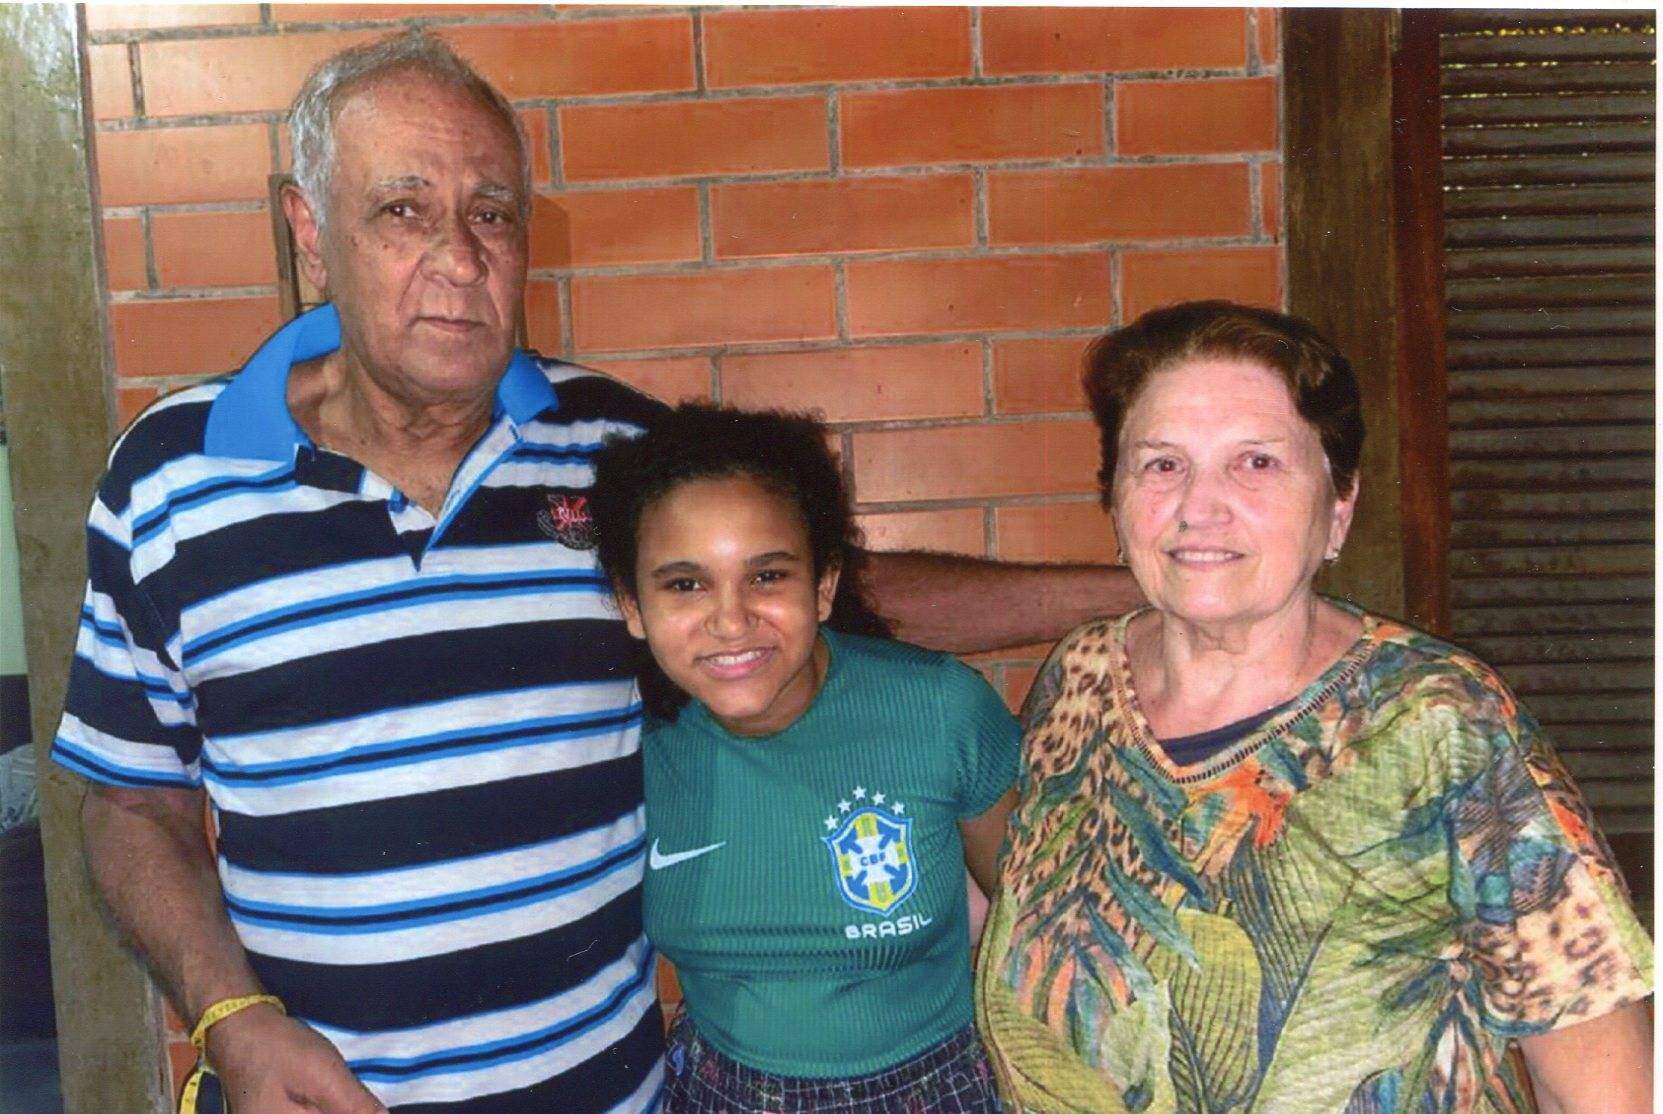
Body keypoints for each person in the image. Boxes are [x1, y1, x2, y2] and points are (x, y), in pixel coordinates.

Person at [52, 30, 1140, 1114]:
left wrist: (1139, 589)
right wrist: (230, 1020)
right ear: (309, 229)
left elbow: (810, 598)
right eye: (403, 210)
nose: (461, 256)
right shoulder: (170, 476)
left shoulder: (614, 452)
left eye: (491, 212)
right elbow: (133, 800)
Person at [974, 301, 1654, 1113]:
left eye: (1255, 463)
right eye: (1160, 464)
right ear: (1115, 503)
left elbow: (1600, 1071)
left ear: (1337, 507)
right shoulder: (1077, 679)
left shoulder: (1438, 720)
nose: (1199, 505)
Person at [588, 405, 1016, 1112]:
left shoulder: (938, 710)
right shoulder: (626, 740)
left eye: (767, 577)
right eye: (685, 584)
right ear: (632, 605)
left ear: (821, 587)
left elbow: (1039, 921)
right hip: (718, 1093)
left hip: (934, 1089)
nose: (730, 621)